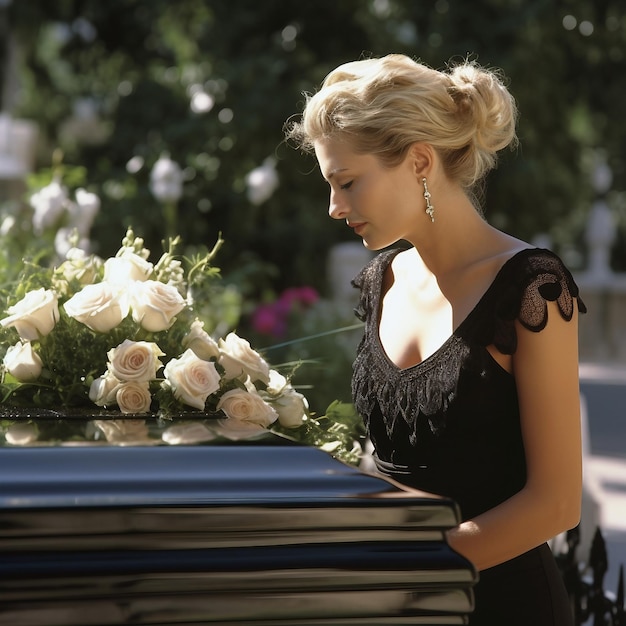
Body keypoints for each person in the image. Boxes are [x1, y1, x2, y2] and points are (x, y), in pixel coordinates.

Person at [285, 53, 585, 625]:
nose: (334, 207)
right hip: (394, 604)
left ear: (419, 160)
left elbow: (556, 503)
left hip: (499, 605)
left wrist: (408, 571)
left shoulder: (530, 286)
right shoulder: (383, 280)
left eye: (347, 182)